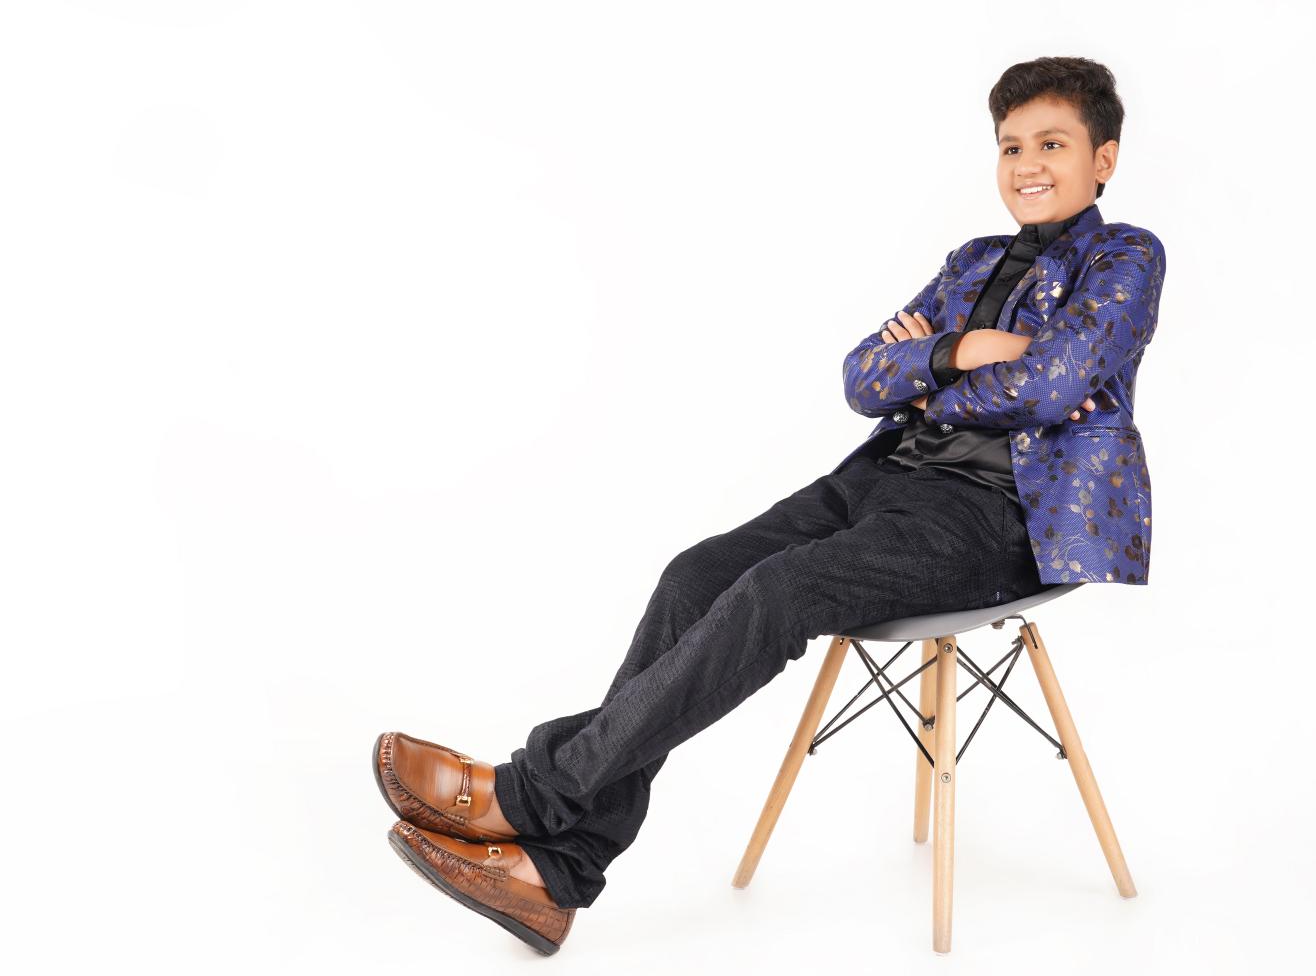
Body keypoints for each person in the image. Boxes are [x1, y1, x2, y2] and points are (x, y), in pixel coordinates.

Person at [375, 54, 1165, 956]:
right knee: (694, 574)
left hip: (998, 515)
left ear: (1102, 159)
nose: (1026, 164)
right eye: (1011, 145)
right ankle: (557, 875)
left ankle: (533, 797)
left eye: (1052, 144)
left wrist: (931, 371)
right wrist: (964, 350)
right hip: (884, 480)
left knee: (780, 590)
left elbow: (1052, 383)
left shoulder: (1127, 255)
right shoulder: (972, 260)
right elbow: (862, 378)